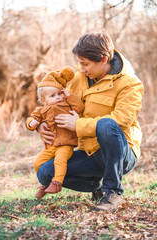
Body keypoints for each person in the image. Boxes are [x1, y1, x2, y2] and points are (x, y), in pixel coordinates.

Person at [36, 33, 144, 212]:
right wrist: (42, 124)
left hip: (123, 152)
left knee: (107, 124)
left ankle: (113, 192)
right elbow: (62, 107)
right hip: (90, 151)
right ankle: (97, 186)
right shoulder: (79, 79)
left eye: (85, 63)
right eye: (80, 63)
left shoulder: (130, 83)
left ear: (103, 59)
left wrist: (78, 125)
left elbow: (123, 119)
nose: (81, 69)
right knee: (45, 173)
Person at [26, 66, 84, 198]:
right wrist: (33, 124)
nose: (58, 97)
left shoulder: (67, 104)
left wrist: (69, 96)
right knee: (38, 163)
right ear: (43, 100)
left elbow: (80, 106)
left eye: (59, 94)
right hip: (50, 145)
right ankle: (45, 184)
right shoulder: (41, 111)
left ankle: (57, 183)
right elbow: (31, 119)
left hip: (65, 144)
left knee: (60, 160)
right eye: (53, 96)